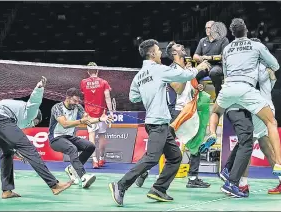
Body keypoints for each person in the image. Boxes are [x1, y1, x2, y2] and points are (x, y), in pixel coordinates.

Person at [201, 18, 281, 196]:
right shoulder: (261, 62)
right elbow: (274, 67)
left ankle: (239, 181)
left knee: (246, 143)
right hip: (256, 104)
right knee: (261, 144)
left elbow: (231, 73)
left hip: (256, 105)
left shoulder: (256, 65)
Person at [108, 39, 200, 206]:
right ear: (151, 53)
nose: (160, 53)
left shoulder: (139, 76)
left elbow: (133, 97)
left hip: (157, 123)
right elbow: (185, 75)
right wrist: (198, 69)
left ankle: (159, 189)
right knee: (152, 158)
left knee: (175, 157)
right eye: (158, 51)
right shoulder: (158, 70)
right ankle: (121, 185)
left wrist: (150, 92)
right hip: (157, 123)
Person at [219, 38, 281, 196]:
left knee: (245, 145)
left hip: (257, 109)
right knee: (265, 147)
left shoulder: (255, 67)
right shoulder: (267, 67)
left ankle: (241, 184)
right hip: (265, 107)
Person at [0, 77, 73, 199]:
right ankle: (54, 185)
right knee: (30, 150)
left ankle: (6, 190)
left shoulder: (17, 113)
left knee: (7, 153)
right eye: (35, 122)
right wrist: (39, 88)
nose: (33, 125)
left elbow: (10, 137)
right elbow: (34, 101)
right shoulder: (30, 112)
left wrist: (18, 151)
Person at [135, 41, 212, 189]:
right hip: (175, 112)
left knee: (196, 139)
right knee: (162, 145)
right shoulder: (171, 69)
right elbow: (177, 89)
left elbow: (190, 90)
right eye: (179, 47)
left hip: (189, 110)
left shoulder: (185, 69)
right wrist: (187, 75)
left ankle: (193, 177)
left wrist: (196, 85)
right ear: (174, 54)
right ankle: (143, 171)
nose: (183, 47)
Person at [49, 88, 112, 188]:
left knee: (90, 146)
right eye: (74, 100)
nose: (76, 103)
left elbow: (88, 120)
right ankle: (83, 176)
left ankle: (72, 169)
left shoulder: (78, 107)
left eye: (78, 101)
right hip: (56, 139)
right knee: (72, 148)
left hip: (69, 137)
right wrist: (81, 121)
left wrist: (100, 119)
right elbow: (64, 124)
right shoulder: (57, 107)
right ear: (68, 98)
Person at [80, 62, 114, 169]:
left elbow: (84, 95)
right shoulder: (103, 82)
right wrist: (111, 112)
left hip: (89, 114)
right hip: (102, 113)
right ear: (97, 70)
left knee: (92, 137)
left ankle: (94, 160)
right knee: (102, 136)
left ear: (88, 71)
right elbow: (107, 98)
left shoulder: (83, 82)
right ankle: (101, 159)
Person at [193, 20, 230, 99]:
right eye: (206, 28)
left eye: (209, 28)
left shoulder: (223, 40)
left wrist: (209, 57)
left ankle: (218, 97)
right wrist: (201, 59)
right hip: (205, 65)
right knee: (193, 74)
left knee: (213, 72)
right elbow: (195, 56)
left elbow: (224, 56)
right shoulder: (202, 41)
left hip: (219, 65)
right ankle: (197, 97)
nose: (207, 29)